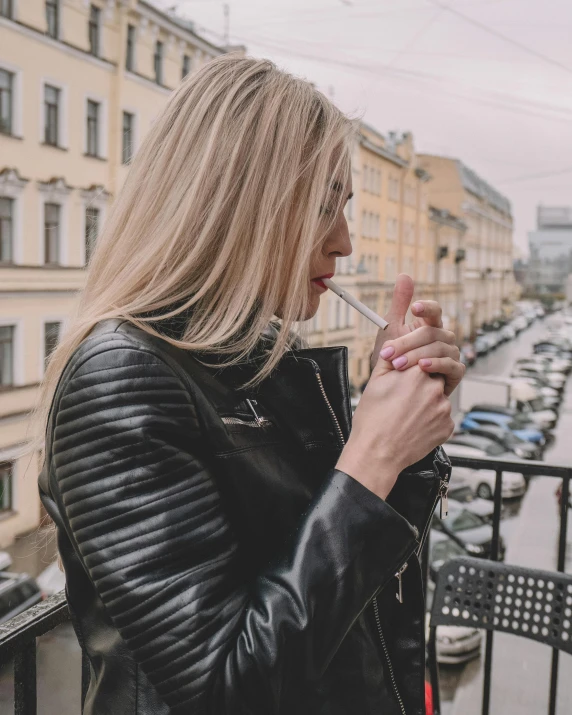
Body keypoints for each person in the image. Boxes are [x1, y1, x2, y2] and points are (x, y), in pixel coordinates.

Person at [35, 56, 464, 715]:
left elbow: (355, 587)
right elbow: (222, 693)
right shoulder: (121, 375)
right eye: (325, 208)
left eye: (345, 207)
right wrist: (372, 455)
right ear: (239, 206)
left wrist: (405, 434)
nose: (346, 242)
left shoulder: (258, 357)